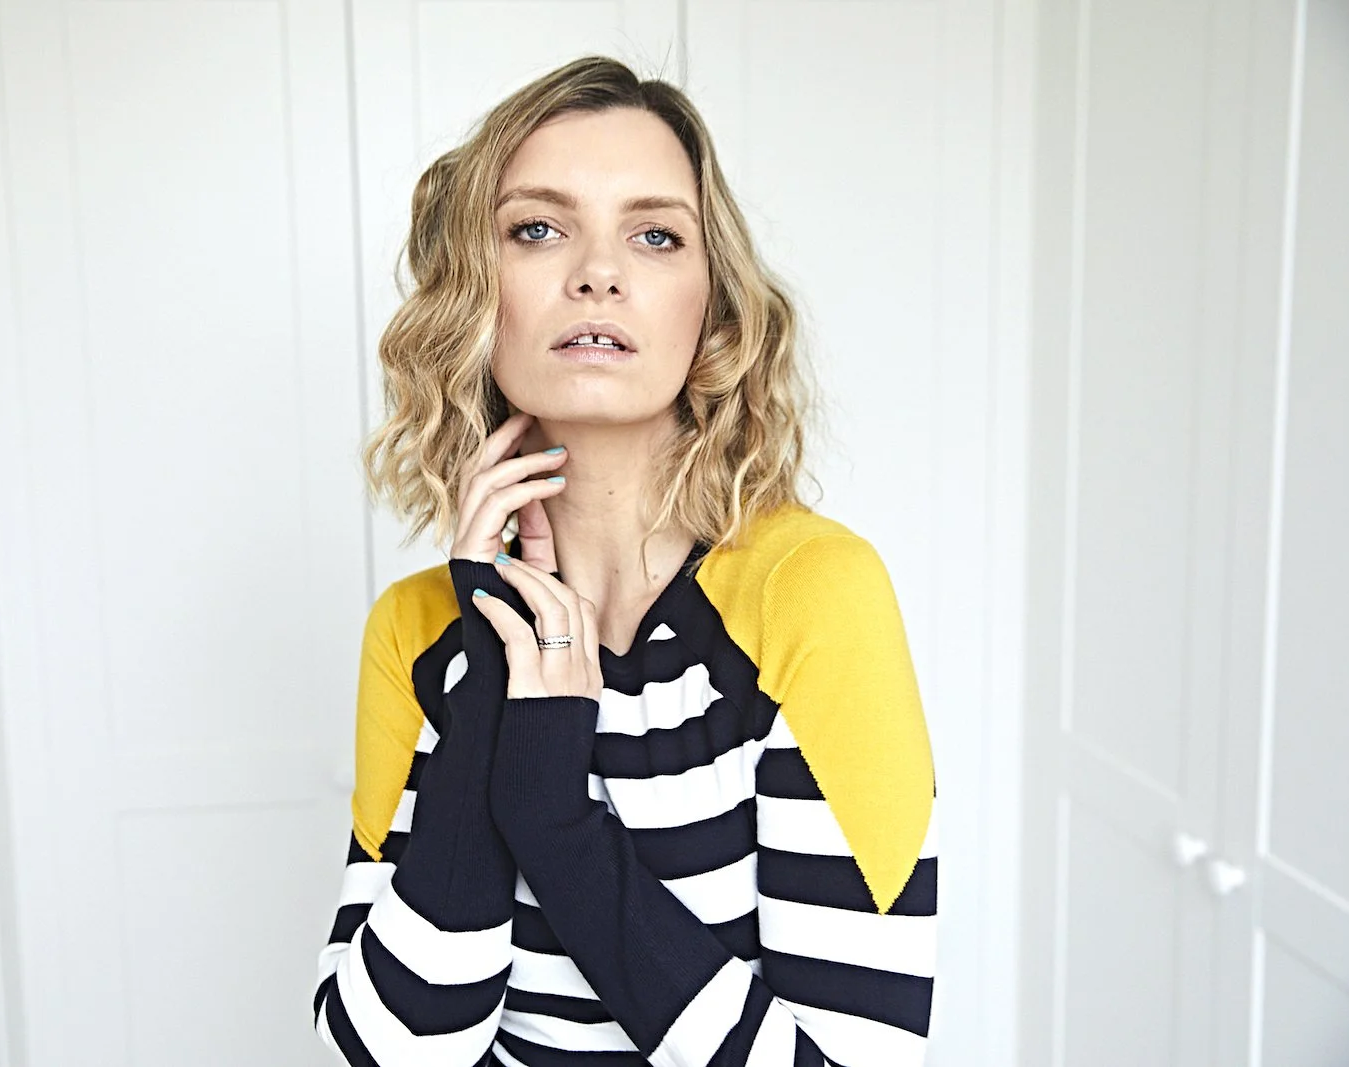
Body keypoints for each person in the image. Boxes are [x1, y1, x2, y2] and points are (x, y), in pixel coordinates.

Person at [312, 54, 937, 1067]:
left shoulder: (810, 598)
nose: (597, 273)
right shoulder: (418, 632)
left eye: (654, 236)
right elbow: (392, 1052)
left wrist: (555, 825)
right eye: (537, 229)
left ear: (713, 307)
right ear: (474, 293)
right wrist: (487, 699)